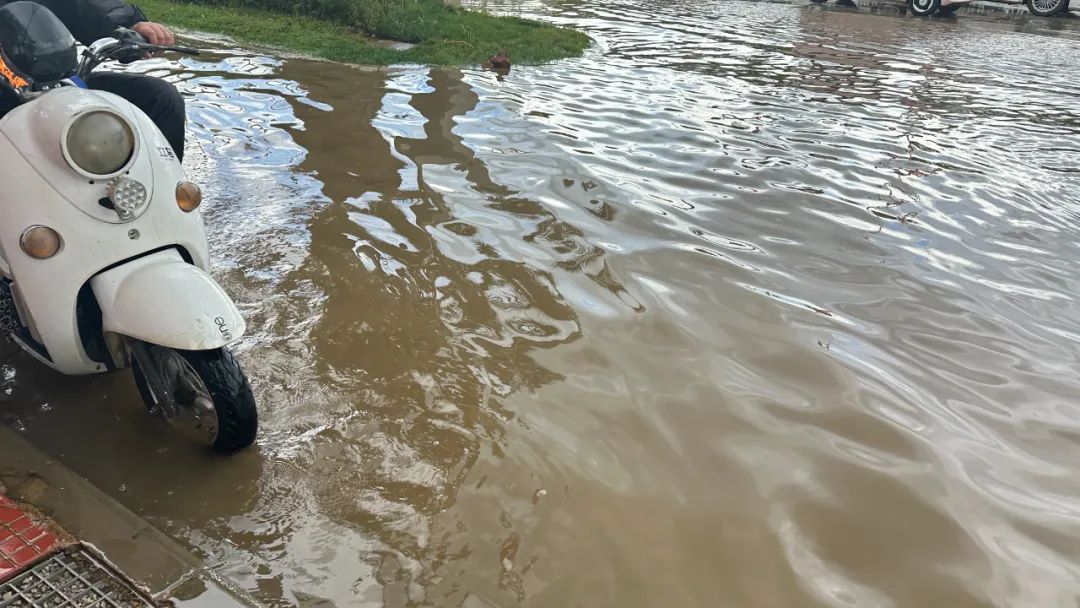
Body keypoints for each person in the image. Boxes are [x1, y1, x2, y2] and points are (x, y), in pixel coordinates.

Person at [0, 0, 186, 161]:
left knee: (160, 97)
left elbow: (82, 4)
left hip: (49, 82)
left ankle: (165, 196)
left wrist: (128, 25)